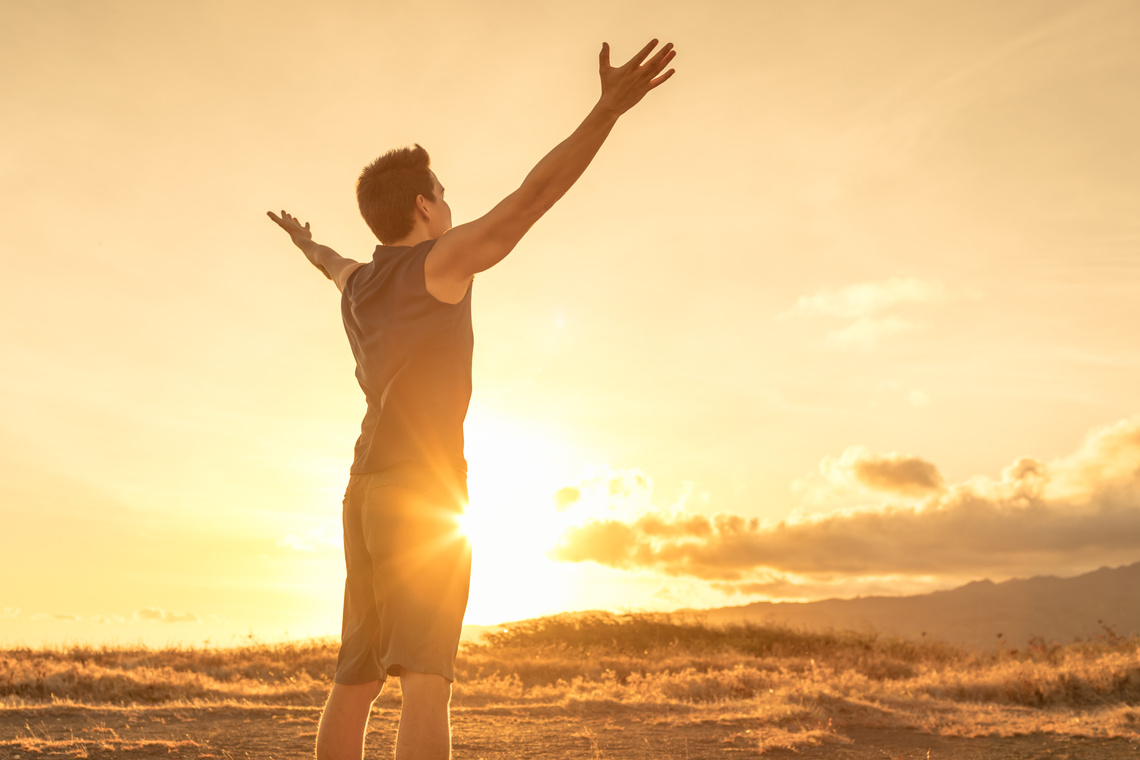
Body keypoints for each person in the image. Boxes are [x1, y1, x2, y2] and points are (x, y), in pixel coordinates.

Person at [268, 39, 676, 760]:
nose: (452, 204)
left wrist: (306, 241)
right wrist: (606, 110)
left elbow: (328, 263)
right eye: (444, 194)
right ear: (424, 206)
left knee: (356, 677)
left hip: (361, 492)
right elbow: (533, 198)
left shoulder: (359, 283)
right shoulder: (439, 264)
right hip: (422, 496)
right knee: (427, 678)